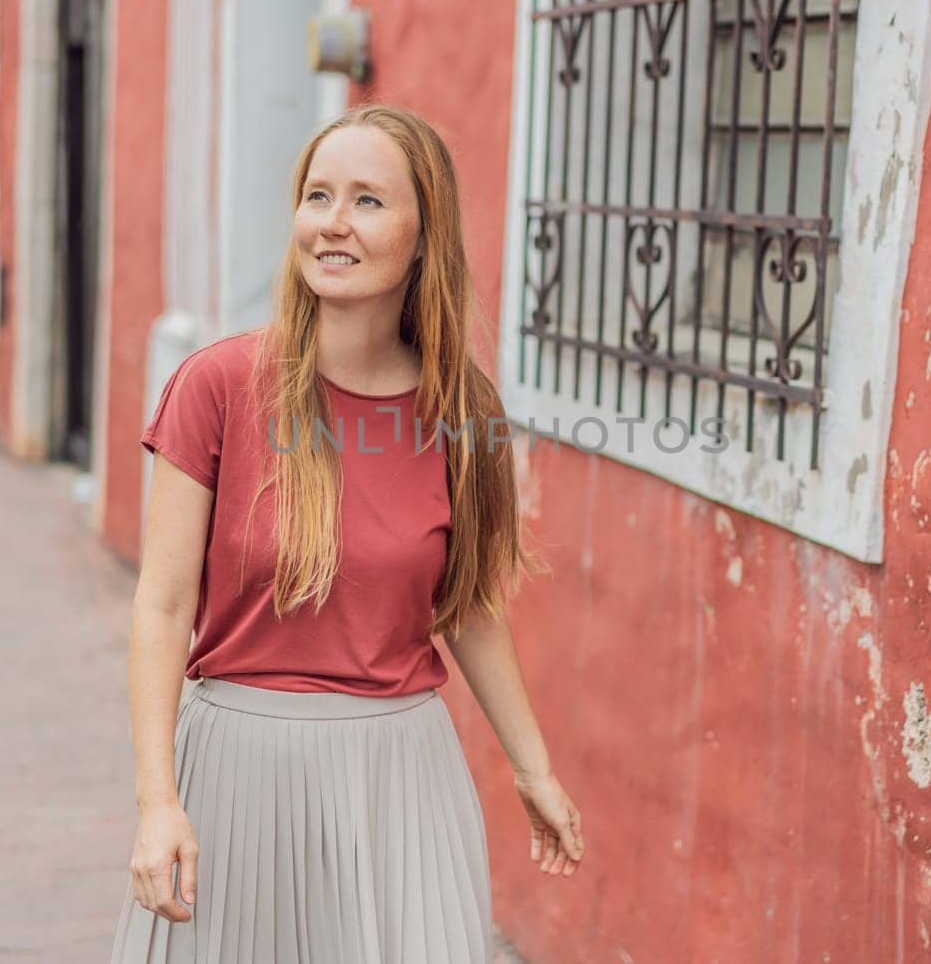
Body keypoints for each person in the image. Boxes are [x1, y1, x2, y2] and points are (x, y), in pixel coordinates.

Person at [110, 104, 585, 963]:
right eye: (318, 195)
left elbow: (470, 605)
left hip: (400, 781)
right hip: (238, 777)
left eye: (367, 201)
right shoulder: (214, 386)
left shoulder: (464, 412)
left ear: (422, 235)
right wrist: (157, 801)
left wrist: (534, 767)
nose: (332, 222)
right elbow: (163, 602)